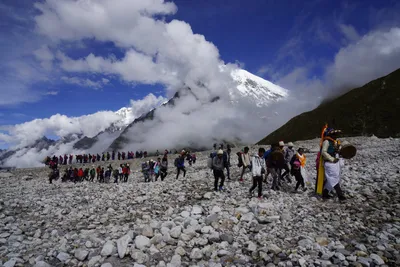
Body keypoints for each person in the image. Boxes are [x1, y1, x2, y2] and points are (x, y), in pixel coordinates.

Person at [321, 129, 346, 201]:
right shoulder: (326, 142)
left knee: (333, 179)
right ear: (330, 135)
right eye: (334, 134)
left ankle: (325, 193)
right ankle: (340, 196)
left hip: (336, 162)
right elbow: (324, 152)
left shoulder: (335, 142)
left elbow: (339, 151)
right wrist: (331, 159)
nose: (336, 136)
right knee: (333, 178)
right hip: (329, 163)